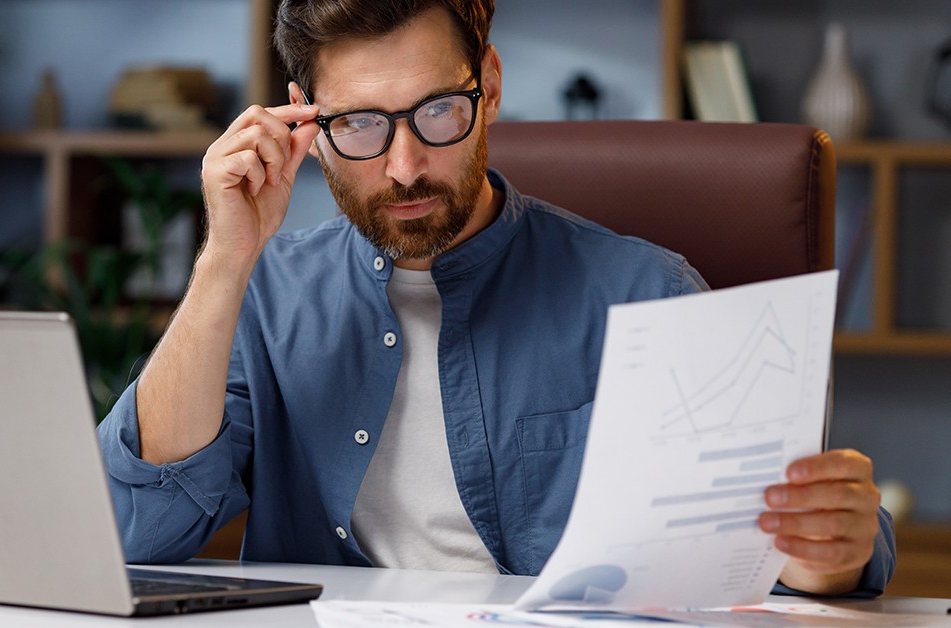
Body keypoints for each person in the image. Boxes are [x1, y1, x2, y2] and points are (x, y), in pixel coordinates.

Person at [97, 0, 894, 596]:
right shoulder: (263, 296)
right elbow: (139, 528)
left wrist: (832, 552)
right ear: (305, 119)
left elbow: (773, 559)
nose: (405, 165)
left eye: (438, 111)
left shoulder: (649, 294)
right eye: (363, 125)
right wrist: (224, 261)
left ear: (491, 87)